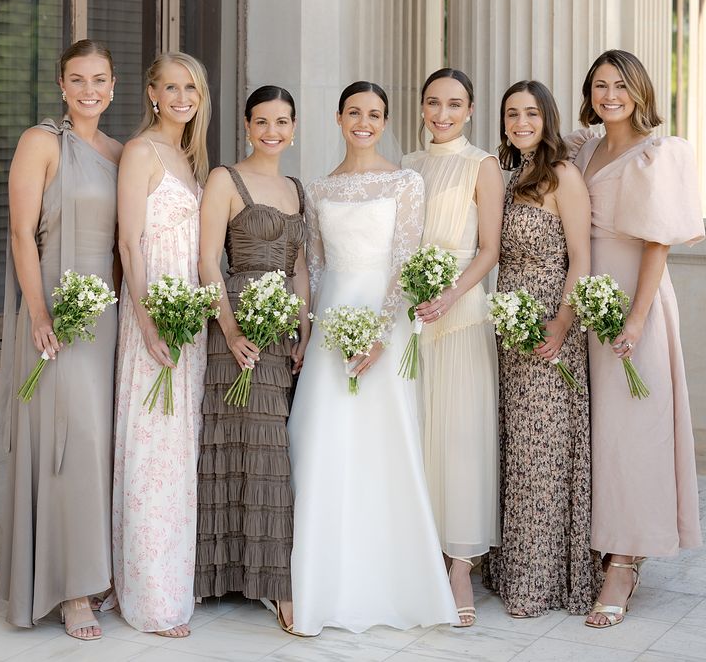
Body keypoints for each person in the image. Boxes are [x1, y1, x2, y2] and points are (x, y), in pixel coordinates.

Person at [288, 81, 459, 636]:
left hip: (385, 327)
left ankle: (389, 580)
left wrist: (382, 333)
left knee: (383, 446)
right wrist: (307, 328)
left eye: (376, 114)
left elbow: (404, 261)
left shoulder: (406, 182)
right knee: (318, 439)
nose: (364, 121)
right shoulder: (317, 188)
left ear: (385, 121)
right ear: (338, 118)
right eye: (355, 112)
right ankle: (318, 584)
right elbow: (313, 269)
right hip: (329, 328)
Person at [568, 49, 705, 628]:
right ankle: (595, 543)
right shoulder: (581, 147)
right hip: (581, 296)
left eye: (620, 85)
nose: (609, 95)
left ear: (640, 89)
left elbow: (658, 243)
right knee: (596, 428)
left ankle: (624, 560)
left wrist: (637, 318)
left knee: (633, 430)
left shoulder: (661, 152)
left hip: (632, 298)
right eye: (599, 85)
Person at [0, 40, 122, 639]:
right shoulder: (40, 142)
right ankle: (71, 590)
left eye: (99, 79)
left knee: (99, 444)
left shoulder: (121, 153)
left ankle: (94, 574)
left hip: (108, 315)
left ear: (115, 86)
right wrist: (40, 314)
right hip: (53, 307)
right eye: (78, 79)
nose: (89, 90)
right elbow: (22, 234)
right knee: (68, 441)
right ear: (61, 84)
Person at [481, 80, 601, 616]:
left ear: (546, 118)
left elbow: (581, 258)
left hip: (551, 324)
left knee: (544, 452)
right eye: (512, 114)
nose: (521, 122)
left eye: (531, 113)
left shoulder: (564, 177)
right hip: (510, 328)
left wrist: (559, 325)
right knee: (517, 447)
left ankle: (543, 581)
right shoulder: (509, 178)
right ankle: (513, 571)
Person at [195, 85, 310, 635]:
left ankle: (271, 580)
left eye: (282, 122)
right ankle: (223, 576)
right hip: (235, 327)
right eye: (262, 121)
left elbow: (302, 268)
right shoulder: (225, 179)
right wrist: (230, 327)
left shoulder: (296, 188)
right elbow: (207, 261)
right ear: (246, 126)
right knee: (235, 442)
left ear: (294, 128)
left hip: (280, 326)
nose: (272, 131)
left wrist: (304, 324)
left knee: (272, 449)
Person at [112, 52, 210, 637]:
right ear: (151, 93)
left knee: (179, 452)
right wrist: (147, 323)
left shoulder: (187, 157)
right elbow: (129, 244)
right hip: (153, 316)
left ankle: (175, 578)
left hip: (188, 319)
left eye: (190, 88)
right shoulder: (141, 152)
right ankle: (151, 596)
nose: (180, 97)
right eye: (170, 87)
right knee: (153, 451)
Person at [401, 68, 502, 627]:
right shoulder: (408, 168)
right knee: (419, 434)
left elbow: (488, 248)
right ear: (421, 107)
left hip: (460, 314)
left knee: (460, 437)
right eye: (433, 102)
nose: (442, 113)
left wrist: (448, 294)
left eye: (454, 104)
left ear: (469, 110)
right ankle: (421, 551)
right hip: (413, 317)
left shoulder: (481, 164)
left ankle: (460, 564)